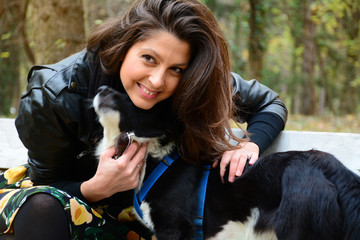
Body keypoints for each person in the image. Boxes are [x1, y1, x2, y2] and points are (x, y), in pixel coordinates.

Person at [0, 0, 287, 239]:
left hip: (149, 216)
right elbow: (46, 182)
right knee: (42, 207)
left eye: (176, 68)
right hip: (70, 203)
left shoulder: (193, 82)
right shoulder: (54, 93)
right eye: (149, 58)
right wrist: (95, 188)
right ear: (123, 45)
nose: (157, 80)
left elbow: (269, 103)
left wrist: (251, 145)